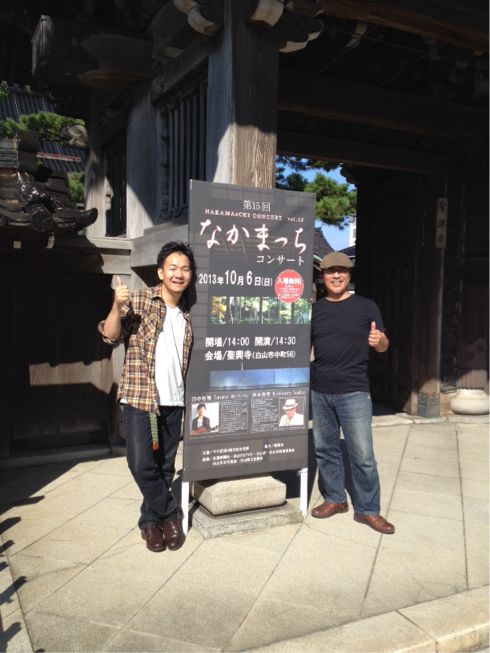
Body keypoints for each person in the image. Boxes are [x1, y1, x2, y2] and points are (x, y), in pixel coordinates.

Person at [98, 241, 195, 552]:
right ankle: (170, 515)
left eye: (185, 269)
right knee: (141, 464)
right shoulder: (140, 300)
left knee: (165, 467)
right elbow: (110, 335)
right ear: (160, 272)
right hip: (141, 398)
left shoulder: (188, 313)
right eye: (173, 268)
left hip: (174, 400)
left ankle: (150, 523)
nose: (179, 274)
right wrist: (117, 305)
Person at [310, 251, 395, 535]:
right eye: (330, 271)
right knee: (325, 449)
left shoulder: (366, 306)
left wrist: (380, 340)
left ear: (348, 275)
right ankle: (335, 498)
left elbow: (383, 346)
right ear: (322, 276)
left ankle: (369, 509)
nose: (336, 275)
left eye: (342, 271)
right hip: (320, 389)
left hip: (354, 390)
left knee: (362, 454)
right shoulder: (315, 310)